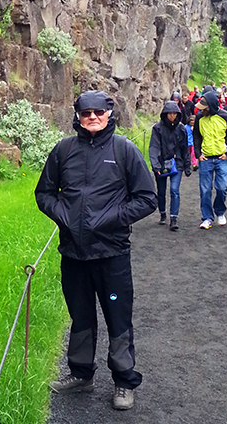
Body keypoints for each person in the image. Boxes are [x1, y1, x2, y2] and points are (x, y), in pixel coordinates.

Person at [35, 90, 156, 411]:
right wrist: (64, 217)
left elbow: (147, 198)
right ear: (77, 115)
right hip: (73, 254)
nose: (92, 117)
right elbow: (44, 193)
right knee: (81, 316)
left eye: (98, 112)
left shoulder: (124, 150)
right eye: (86, 112)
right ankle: (80, 374)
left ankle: (124, 380)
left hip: (112, 254)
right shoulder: (63, 150)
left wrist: (112, 218)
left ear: (109, 114)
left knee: (118, 317)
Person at [193, 89, 227, 229]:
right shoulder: (199, 117)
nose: (201, 110)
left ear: (211, 106)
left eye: (204, 108)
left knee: (222, 188)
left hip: (221, 157)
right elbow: (196, 136)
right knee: (205, 190)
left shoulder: (226, 117)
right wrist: (198, 154)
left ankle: (220, 212)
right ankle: (207, 217)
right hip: (205, 158)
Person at [149, 101, 192, 231]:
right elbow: (154, 147)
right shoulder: (157, 128)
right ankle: (163, 213)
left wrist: (187, 166)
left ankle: (174, 218)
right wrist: (156, 166)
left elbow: (185, 149)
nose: (172, 116)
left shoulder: (181, 128)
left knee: (174, 190)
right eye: (169, 114)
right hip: (161, 162)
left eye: (174, 114)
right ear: (165, 114)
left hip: (177, 162)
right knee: (161, 191)